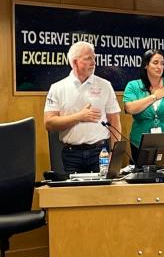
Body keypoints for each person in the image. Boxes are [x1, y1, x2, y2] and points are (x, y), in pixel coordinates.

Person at [44, 41, 121, 174]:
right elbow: (49, 123)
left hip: (100, 152)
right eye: (88, 58)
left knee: (102, 193)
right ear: (74, 62)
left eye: (94, 58)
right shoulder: (57, 88)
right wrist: (80, 116)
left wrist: (114, 153)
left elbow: (115, 121)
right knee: (74, 194)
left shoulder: (105, 85)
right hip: (71, 154)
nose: (94, 62)